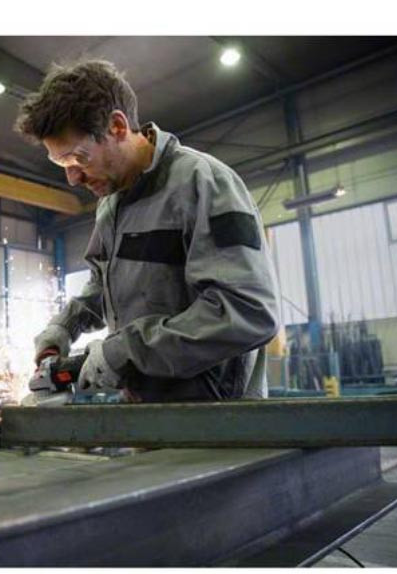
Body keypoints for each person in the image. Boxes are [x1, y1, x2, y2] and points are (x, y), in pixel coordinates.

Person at [14, 59, 280, 402]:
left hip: (216, 416)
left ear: (117, 126)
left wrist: (123, 352)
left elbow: (247, 313)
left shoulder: (203, 182)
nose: (73, 178)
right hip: (144, 409)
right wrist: (64, 327)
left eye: (79, 158)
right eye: (62, 163)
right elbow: (103, 287)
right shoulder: (111, 204)